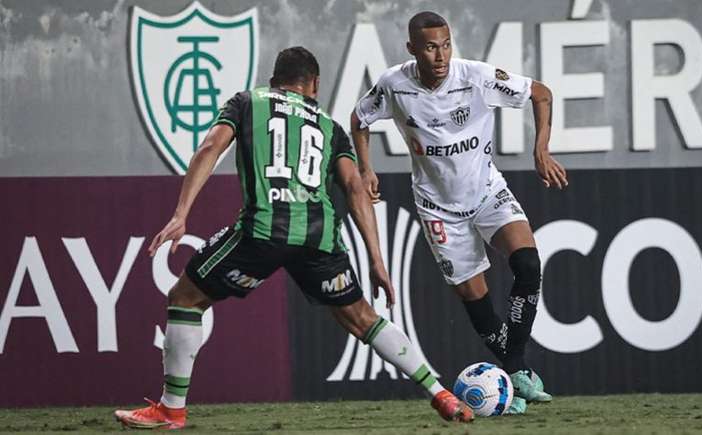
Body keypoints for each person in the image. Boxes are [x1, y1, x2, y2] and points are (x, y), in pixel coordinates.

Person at [115, 46, 473, 430]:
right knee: (361, 317)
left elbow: (210, 148)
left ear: (275, 81)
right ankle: (440, 392)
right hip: (319, 239)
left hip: (263, 230)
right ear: (314, 85)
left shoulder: (247, 102)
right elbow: (355, 187)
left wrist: (181, 213)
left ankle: (172, 409)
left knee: (185, 297)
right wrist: (376, 259)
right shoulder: (330, 127)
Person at [350, 12, 568, 414]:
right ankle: (516, 374)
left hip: (488, 192)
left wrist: (541, 149)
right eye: (431, 47)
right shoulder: (394, 85)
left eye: (446, 44)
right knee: (476, 301)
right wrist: (365, 168)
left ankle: (515, 368)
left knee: (529, 264)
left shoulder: (476, 76)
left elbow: (541, 92)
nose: (441, 55)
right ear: (412, 49)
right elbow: (359, 119)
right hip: (438, 209)